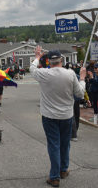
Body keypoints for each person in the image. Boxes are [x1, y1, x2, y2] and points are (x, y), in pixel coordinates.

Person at [30, 46, 86, 187]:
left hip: (49, 115)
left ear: (49, 61)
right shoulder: (71, 74)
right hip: (66, 115)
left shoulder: (44, 73)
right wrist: (83, 79)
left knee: (54, 144)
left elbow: (32, 69)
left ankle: (55, 176)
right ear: (61, 60)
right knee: (65, 143)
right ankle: (63, 169)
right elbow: (79, 94)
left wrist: (37, 57)